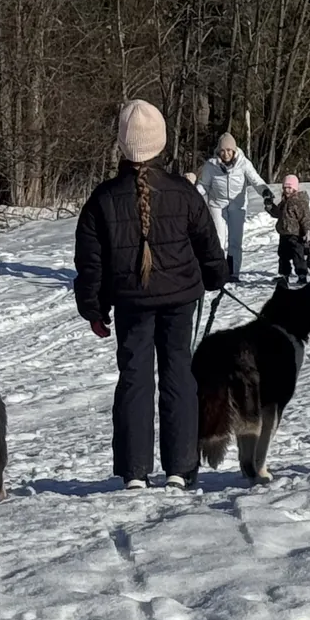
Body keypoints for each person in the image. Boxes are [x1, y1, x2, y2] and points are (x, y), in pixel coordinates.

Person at [75, 99, 226, 488]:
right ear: (161, 142)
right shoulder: (182, 191)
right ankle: (180, 467)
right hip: (179, 299)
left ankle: (134, 470)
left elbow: (91, 262)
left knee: (135, 378)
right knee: (179, 375)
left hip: (131, 303)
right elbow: (208, 244)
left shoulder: (102, 199)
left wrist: (93, 307)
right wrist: (215, 276)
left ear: (123, 145)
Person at [195, 134, 265, 280]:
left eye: (229, 150)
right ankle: (218, 272)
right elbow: (204, 185)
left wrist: (266, 193)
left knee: (235, 241)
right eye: (222, 150)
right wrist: (193, 193)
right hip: (217, 205)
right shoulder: (211, 165)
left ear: (234, 151)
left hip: (237, 206)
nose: (225, 154)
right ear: (218, 151)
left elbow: (256, 180)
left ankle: (233, 272)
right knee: (218, 240)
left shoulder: (244, 163)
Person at [274, 175, 310, 284]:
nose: (287, 190)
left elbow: (306, 218)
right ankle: (284, 275)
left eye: (290, 188)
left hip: (296, 235)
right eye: (285, 187)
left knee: (298, 256)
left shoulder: (299, 202)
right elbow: (277, 213)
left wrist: (308, 230)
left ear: (295, 188)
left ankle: (302, 275)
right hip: (284, 234)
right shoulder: (284, 202)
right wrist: (269, 206)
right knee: (283, 256)